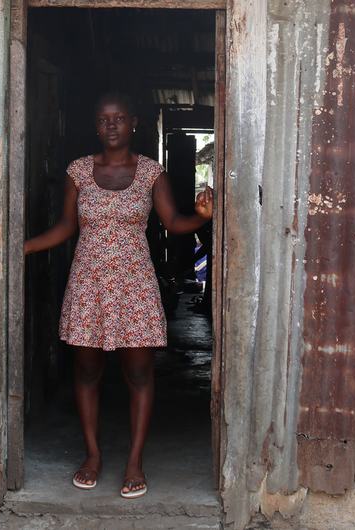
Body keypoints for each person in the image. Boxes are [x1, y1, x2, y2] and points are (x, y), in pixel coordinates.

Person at [23, 92, 213, 499]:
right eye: (104, 119)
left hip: (134, 285)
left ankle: (134, 460)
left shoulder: (151, 173)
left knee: (139, 374)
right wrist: (25, 247)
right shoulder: (78, 171)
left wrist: (199, 217)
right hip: (89, 284)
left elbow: (173, 222)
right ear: (96, 126)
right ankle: (92, 454)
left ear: (134, 124)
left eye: (119, 118)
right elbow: (66, 228)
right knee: (87, 371)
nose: (112, 125)